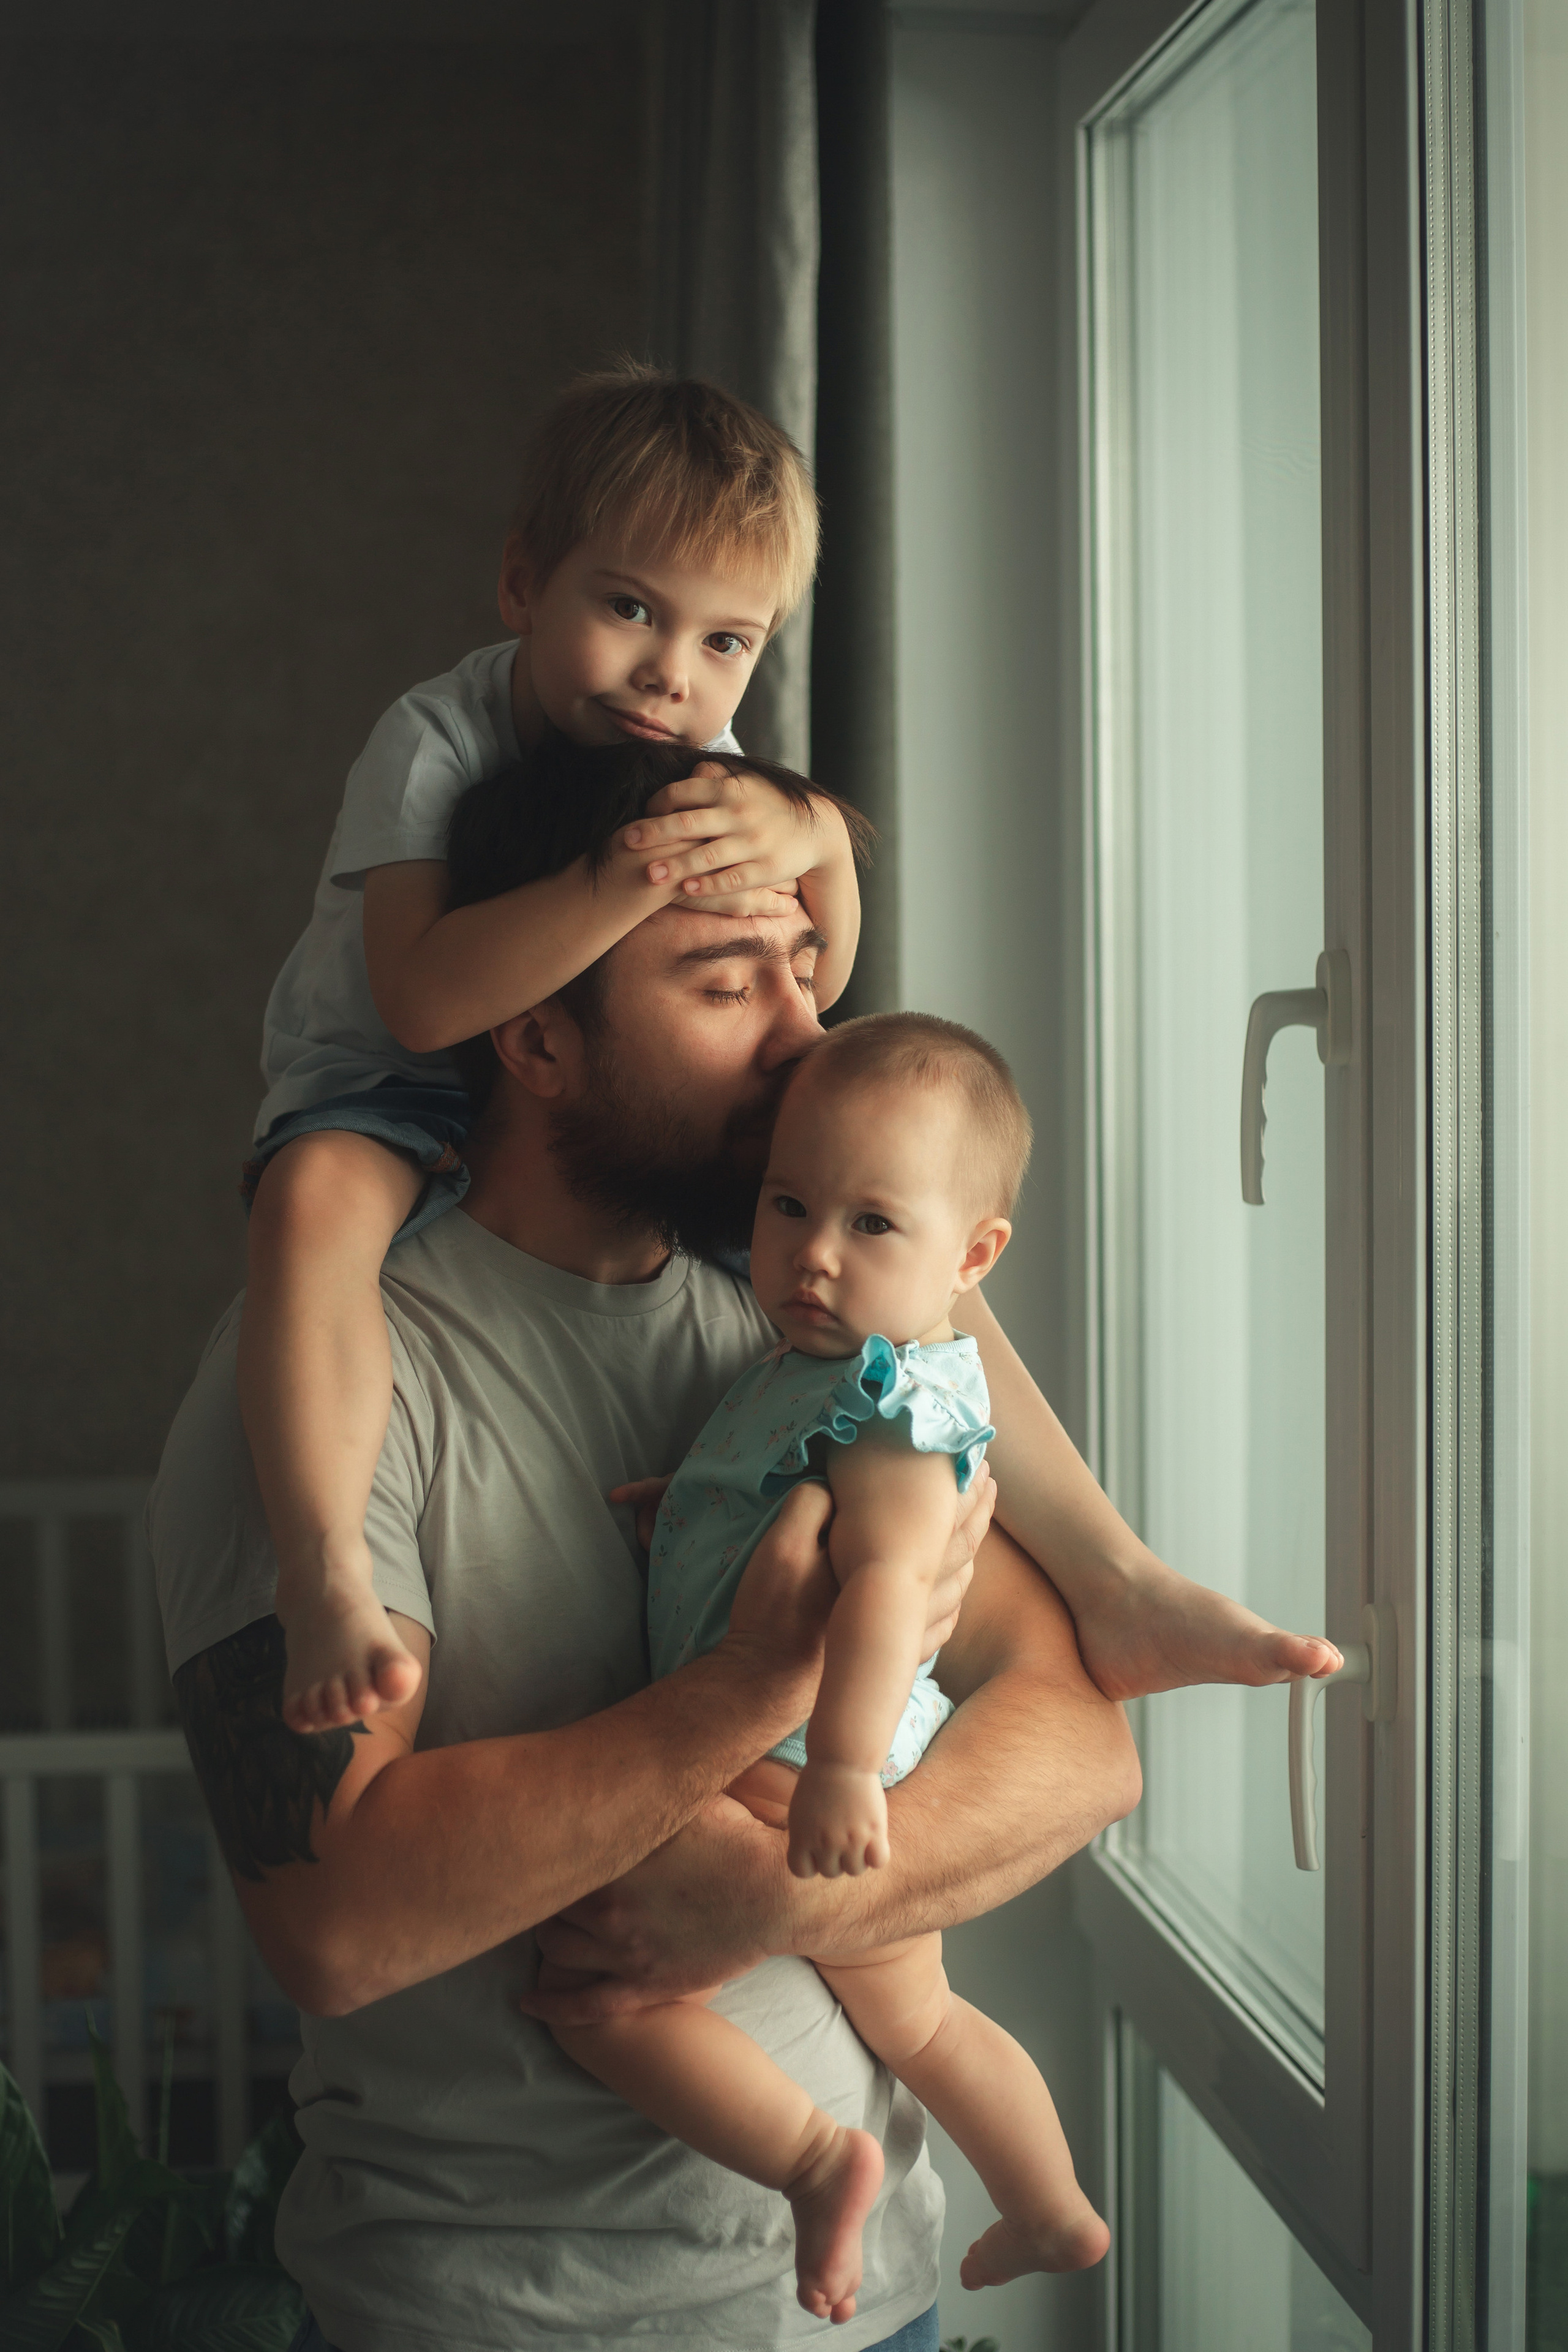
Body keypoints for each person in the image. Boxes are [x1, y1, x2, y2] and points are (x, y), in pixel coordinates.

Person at [151, 739, 1142, 2352]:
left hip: (874, 2308)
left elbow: (1086, 1746)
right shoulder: (321, 1391)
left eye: (807, 967)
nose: (806, 1036)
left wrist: (777, 1906)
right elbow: (334, 1924)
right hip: (502, 2319)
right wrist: (756, 1684)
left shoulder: (809, 1334)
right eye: (726, 981)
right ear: (538, 1034)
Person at [237, 364, 860, 1735]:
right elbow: (420, 998)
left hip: (543, 1069)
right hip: (387, 1078)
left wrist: (813, 837)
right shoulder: (430, 740)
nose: (670, 674)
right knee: (313, 1204)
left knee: (879, 1185)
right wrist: (625, 886)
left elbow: (830, 946)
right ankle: (327, 1567)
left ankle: (1099, 1558)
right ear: (524, 584)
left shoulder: (703, 743)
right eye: (630, 608)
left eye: (725, 642)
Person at [553, 1014, 1109, 2327]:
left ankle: (817, 2160)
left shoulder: (898, 1413)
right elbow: (776, 1514)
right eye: (788, 1205)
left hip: (805, 1768)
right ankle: (1047, 2208)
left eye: (871, 1225)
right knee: (918, 2025)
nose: (811, 1253)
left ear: (969, 1257)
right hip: (791, 1758)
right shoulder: (807, 1368)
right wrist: (691, 1510)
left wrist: (849, 1771)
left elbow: (884, 1594)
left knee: (594, 1992)